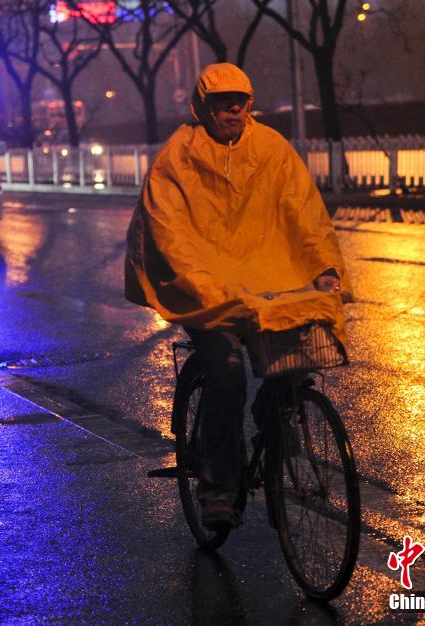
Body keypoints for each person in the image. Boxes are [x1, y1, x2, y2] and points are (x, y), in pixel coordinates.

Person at [124, 63, 352, 530]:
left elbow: (303, 212)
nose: (233, 108)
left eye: (241, 100)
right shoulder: (178, 156)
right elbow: (169, 232)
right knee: (226, 374)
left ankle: (273, 415)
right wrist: (207, 285)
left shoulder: (271, 148)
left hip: (265, 284)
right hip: (205, 288)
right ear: (201, 105)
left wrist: (324, 268)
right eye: (222, 101)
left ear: (250, 104)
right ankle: (218, 488)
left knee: (296, 359)